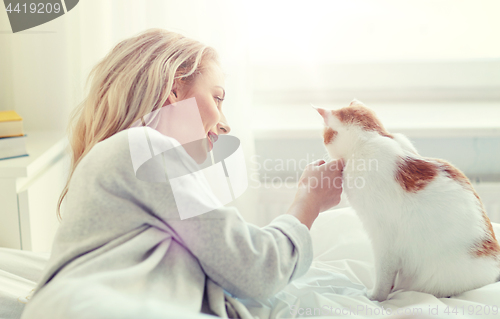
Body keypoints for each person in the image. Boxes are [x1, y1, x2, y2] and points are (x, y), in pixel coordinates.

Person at [20, 29, 344, 319]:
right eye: (217, 97)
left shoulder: (121, 160)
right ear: (173, 89)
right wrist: (308, 200)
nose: (225, 123)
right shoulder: (143, 146)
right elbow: (256, 269)